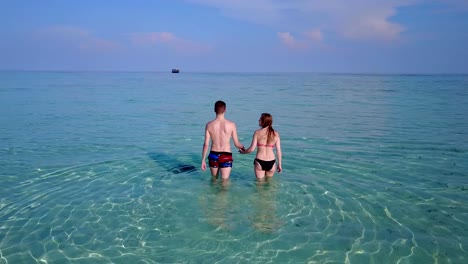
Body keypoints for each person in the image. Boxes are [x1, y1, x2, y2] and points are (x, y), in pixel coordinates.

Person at [201, 100, 245, 180]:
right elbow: (236, 144)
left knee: (214, 180)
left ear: (214, 110)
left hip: (213, 155)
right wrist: (243, 147)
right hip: (226, 156)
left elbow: (206, 144)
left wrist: (203, 160)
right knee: (224, 183)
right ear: (225, 110)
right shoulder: (231, 125)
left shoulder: (209, 125)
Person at [240, 113, 282, 180]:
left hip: (260, 161)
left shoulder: (257, 133)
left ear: (264, 121)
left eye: (260, 119)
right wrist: (279, 164)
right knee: (269, 185)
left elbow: (251, 149)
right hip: (271, 162)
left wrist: (243, 152)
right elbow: (278, 150)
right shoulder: (276, 134)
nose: (258, 120)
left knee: (259, 186)